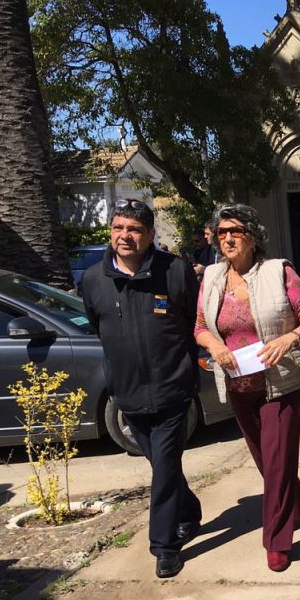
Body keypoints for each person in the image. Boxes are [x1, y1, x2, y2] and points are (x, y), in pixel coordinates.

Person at [194, 204, 300, 573]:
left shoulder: (278, 272)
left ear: (252, 235)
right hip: (237, 384)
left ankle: (277, 540)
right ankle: (294, 499)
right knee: (267, 461)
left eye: (235, 231)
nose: (227, 238)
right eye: (221, 232)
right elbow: (200, 325)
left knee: (278, 458)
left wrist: (289, 340)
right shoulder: (213, 276)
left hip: (279, 381)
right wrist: (215, 347)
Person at [81, 198, 202, 579]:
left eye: (134, 229)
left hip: (171, 390)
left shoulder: (177, 272)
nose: (125, 236)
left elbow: (193, 323)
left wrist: (189, 371)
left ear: (150, 235)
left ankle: (164, 547)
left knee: (164, 467)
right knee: (162, 466)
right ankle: (189, 509)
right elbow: (97, 326)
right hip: (128, 394)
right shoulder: (92, 280)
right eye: (118, 228)